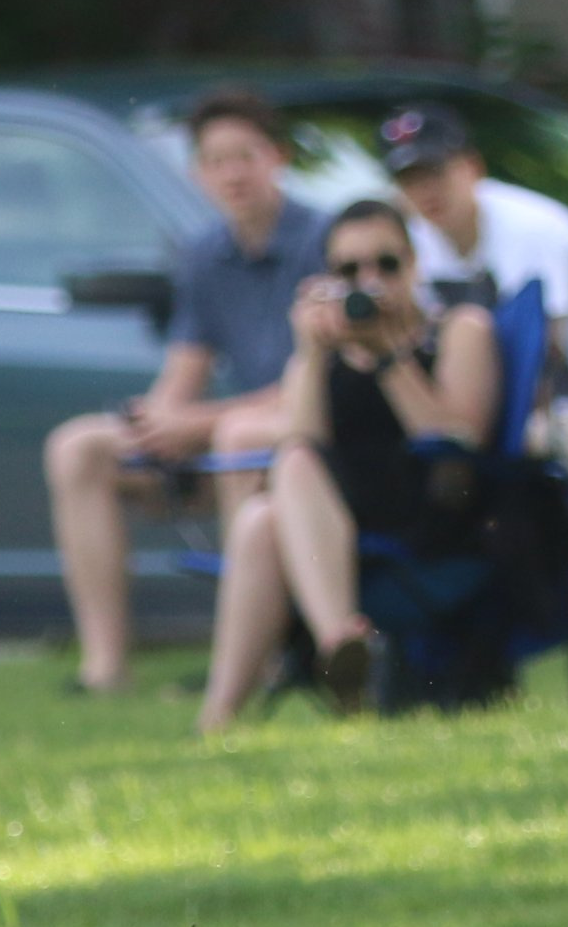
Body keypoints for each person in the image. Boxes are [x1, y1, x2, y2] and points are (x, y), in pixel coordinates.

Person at [44, 87, 320, 695]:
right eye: (216, 161)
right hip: (227, 435)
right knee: (78, 446)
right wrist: (155, 422)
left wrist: (197, 422)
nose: (232, 174)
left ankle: (251, 661)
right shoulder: (203, 254)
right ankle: (105, 666)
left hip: (302, 433)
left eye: (245, 156)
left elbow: (315, 382)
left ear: (277, 157)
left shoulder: (321, 240)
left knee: (236, 434)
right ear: (198, 173)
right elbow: (182, 374)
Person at [194, 201, 499, 732]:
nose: (370, 282)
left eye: (387, 264)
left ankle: (327, 658)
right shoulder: (330, 345)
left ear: (415, 263)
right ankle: (311, 664)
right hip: (336, 522)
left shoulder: (458, 329)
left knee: (275, 494)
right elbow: (304, 436)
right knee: (262, 515)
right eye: (350, 271)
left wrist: (388, 357)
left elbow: (456, 450)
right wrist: (311, 355)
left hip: (429, 515)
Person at [386, 105, 568, 501]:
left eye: (435, 172)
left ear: (472, 167)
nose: (425, 191)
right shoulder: (419, 241)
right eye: (409, 180)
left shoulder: (532, 228)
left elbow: (539, 364)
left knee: (500, 452)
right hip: (529, 422)